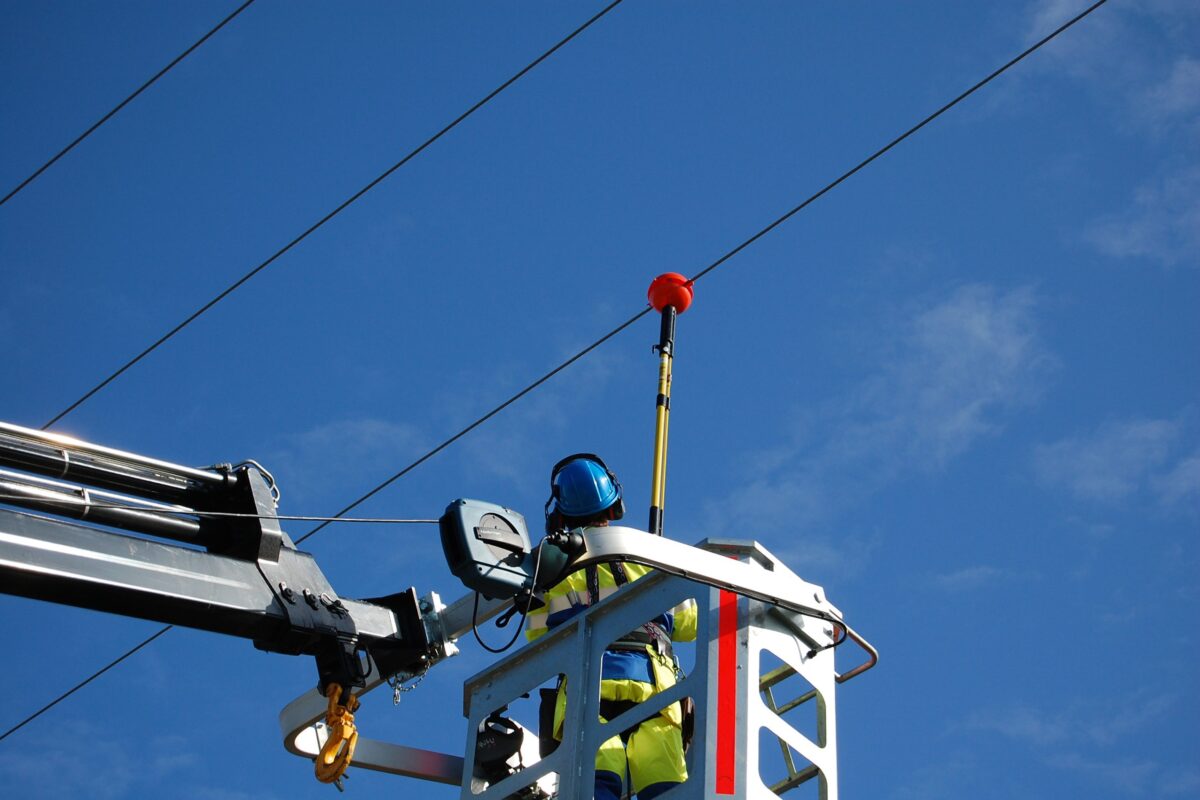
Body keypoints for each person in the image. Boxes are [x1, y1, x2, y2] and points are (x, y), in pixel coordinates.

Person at [526, 454, 696, 800]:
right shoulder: (644, 555)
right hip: (654, 694)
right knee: (665, 786)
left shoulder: (552, 572)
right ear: (613, 505)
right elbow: (688, 622)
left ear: (559, 514)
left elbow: (537, 636)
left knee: (596, 784)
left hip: (586, 693)